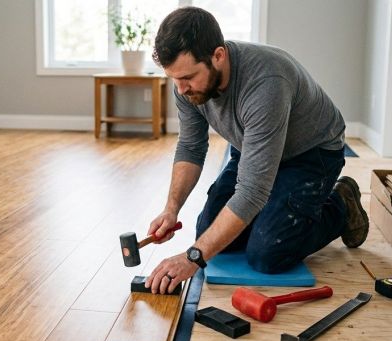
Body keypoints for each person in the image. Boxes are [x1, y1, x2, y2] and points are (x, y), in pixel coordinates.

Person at [144, 6, 369, 294]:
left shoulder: (266, 82)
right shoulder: (186, 86)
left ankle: (341, 204)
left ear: (218, 56)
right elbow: (191, 146)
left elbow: (252, 192)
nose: (181, 89)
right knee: (209, 235)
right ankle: (277, 213)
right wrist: (171, 209)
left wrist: (193, 257)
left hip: (311, 154)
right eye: (174, 78)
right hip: (251, 147)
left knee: (267, 252)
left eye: (188, 77)